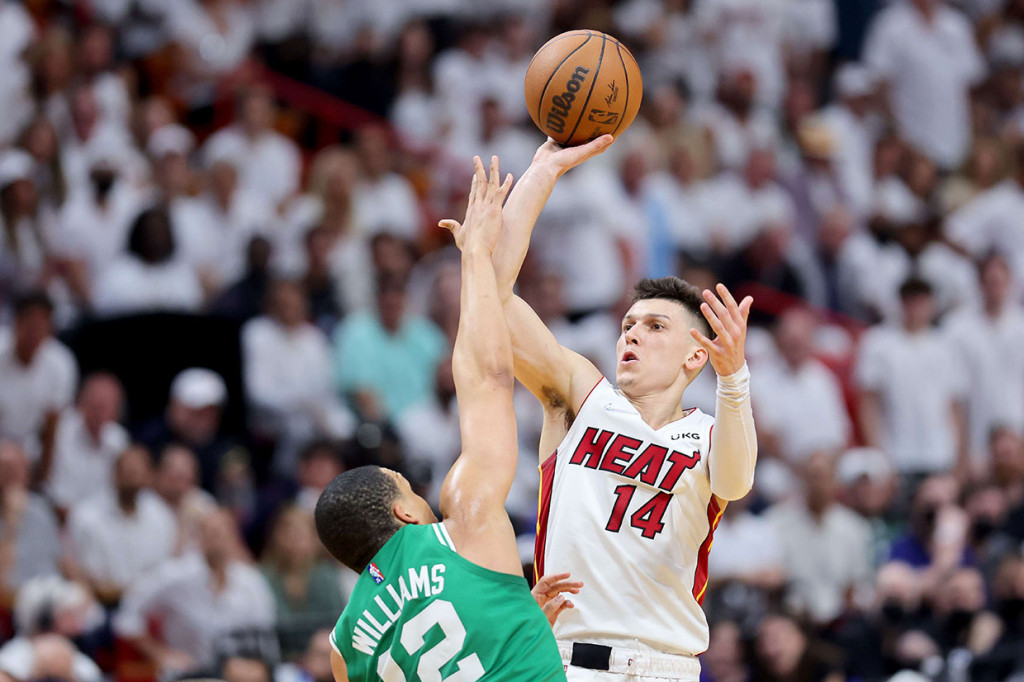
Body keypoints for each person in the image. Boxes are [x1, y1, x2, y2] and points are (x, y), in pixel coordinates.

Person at [442, 135, 759, 679]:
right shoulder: (581, 397)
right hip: (568, 662)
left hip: (668, 666)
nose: (631, 334)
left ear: (694, 357)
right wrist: (543, 170)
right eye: (627, 325)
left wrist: (735, 378)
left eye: (655, 326)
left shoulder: (711, 432)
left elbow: (734, 481)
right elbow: (490, 293)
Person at [316, 157, 574, 681]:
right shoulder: (466, 521)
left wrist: (518, 624)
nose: (425, 499)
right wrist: (475, 255)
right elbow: (488, 379)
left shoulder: (343, 648)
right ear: (403, 513)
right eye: (411, 490)